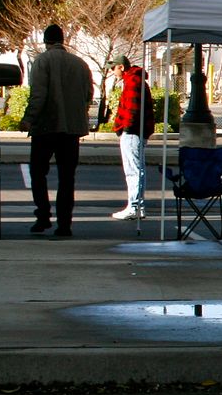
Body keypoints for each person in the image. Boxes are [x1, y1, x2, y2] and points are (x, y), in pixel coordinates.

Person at [20, 24, 93, 237]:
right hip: (71, 130)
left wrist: (28, 119)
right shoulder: (80, 64)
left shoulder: (42, 62)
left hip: (46, 127)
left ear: (46, 41)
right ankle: (64, 224)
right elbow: (88, 95)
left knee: (38, 173)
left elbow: (38, 96)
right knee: (67, 177)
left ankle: (43, 216)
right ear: (62, 40)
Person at [110, 54, 156, 221]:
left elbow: (132, 108)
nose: (113, 72)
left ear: (121, 67)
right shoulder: (136, 80)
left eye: (113, 68)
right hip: (137, 131)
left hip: (132, 132)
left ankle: (135, 206)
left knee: (133, 170)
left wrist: (125, 127)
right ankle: (137, 205)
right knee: (137, 169)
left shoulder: (132, 82)